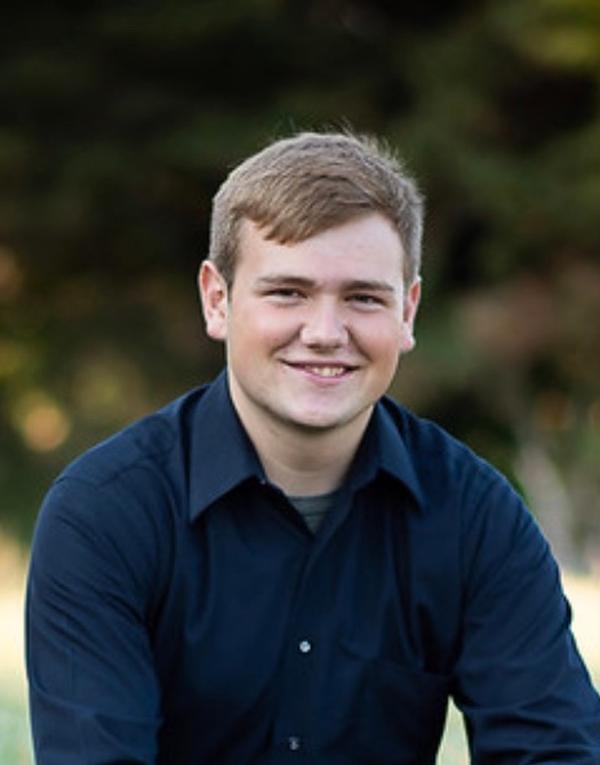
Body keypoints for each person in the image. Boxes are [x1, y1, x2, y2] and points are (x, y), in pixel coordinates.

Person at [26, 130, 600, 765]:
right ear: (217, 300)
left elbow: (553, 752)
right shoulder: (104, 516)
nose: (326, 333)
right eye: (287, 293)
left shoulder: (474, 515)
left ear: (407, 311)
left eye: (362, 297)